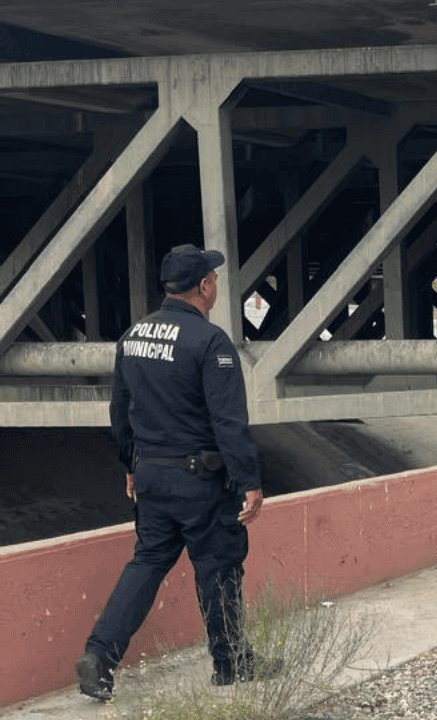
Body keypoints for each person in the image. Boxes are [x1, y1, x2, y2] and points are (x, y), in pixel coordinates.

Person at [76, 244, 276, 701]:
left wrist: (130, 464)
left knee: (146, 563)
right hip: (199, 482)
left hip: (151, 477)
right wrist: (250, 482)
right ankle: (231, 664)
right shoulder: (210, 343)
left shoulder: (133, 336)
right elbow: (228, 421)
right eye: (214, 279)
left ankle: (99, 654)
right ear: (204, 286)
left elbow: (120, 412)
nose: (217, 285)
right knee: (218, 567)